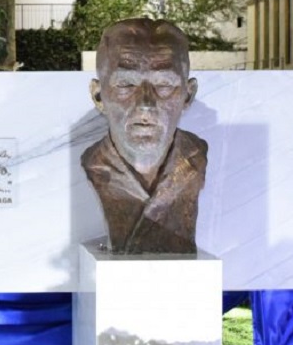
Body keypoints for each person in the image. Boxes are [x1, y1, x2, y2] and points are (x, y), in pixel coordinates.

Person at [81, 17, 207, 254]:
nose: (146, 103)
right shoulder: (94, 164)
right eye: (126, 84)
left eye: (164, 84)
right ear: (98, 96)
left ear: (188, 95)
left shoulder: (195, 157)